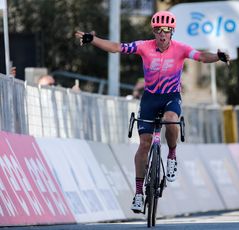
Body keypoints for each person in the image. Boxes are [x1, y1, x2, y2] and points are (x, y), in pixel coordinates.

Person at [75, 10, 230, 213]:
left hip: (170, 97)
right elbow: (116, 48)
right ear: (154, 32)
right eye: (158, 30)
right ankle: (139, 194)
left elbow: (200, 56)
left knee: (171, 119)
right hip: (149, 99)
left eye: (166, 30)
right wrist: (92, 39)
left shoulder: (181, 49)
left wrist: (217, 57)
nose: (162, 34)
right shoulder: (144, 46)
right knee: (144, 144)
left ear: (171, 32)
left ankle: (172, 155)